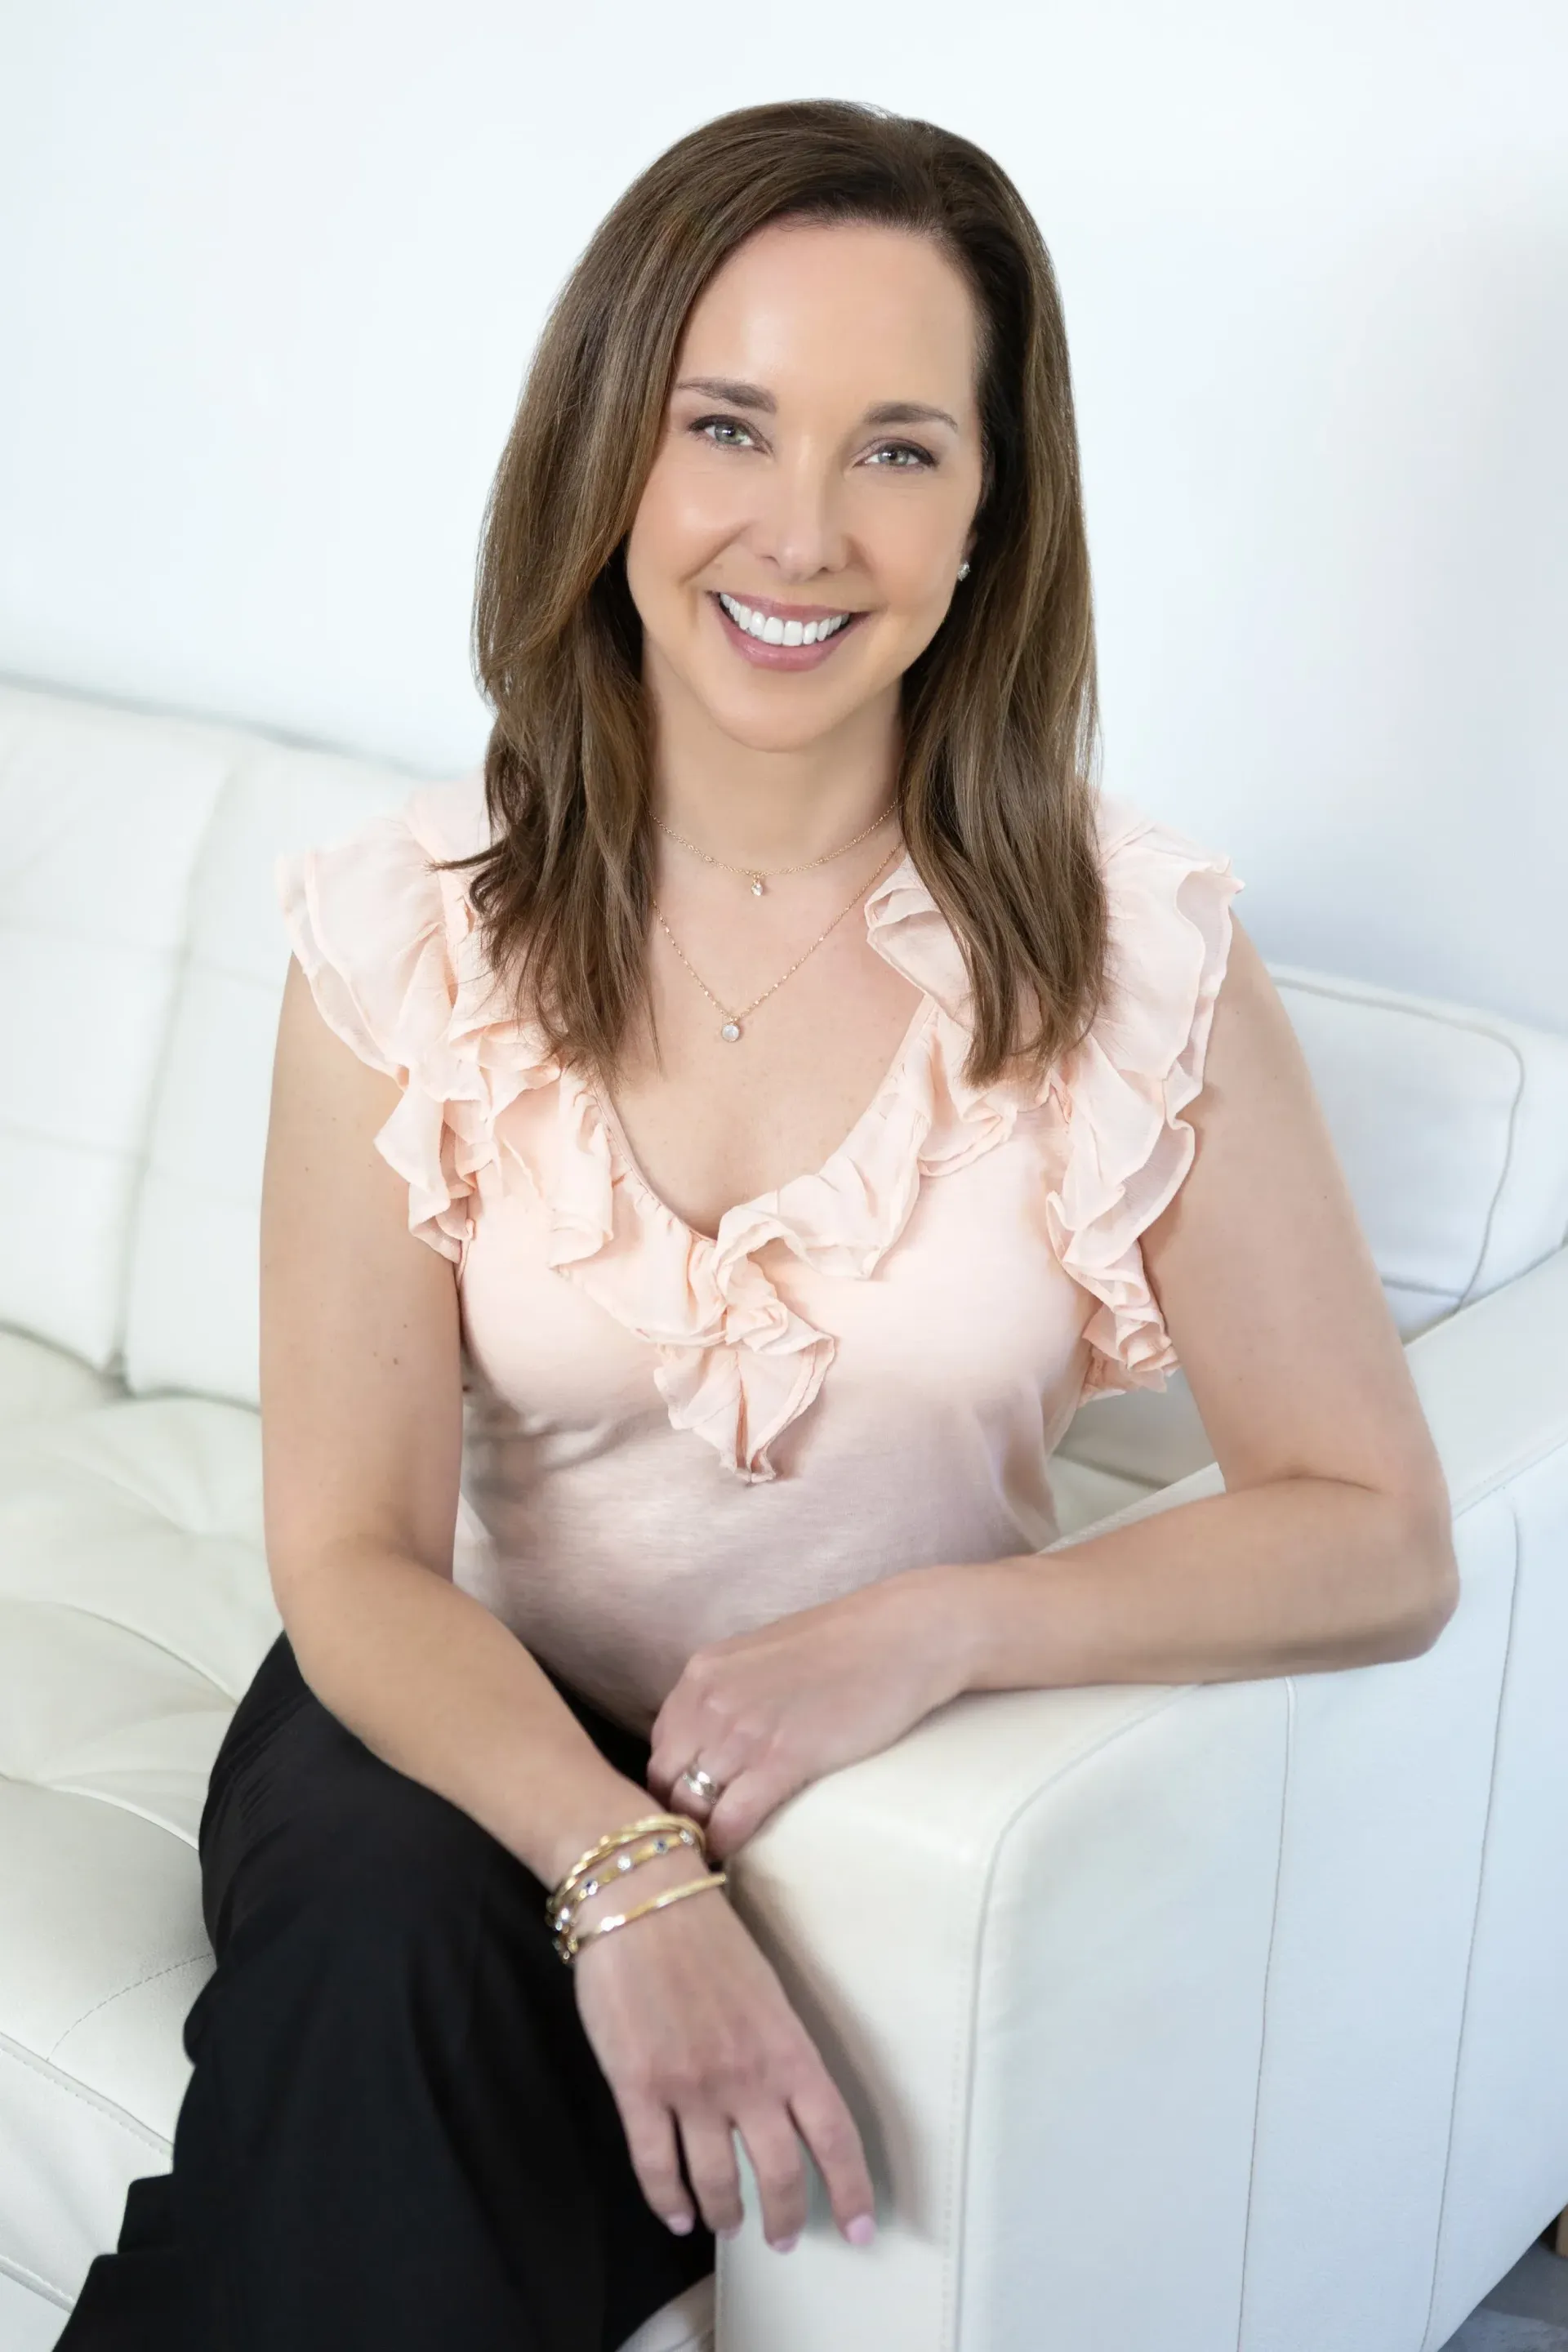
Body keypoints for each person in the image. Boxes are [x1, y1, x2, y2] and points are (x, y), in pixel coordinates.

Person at [56, 94, 1460, 2352]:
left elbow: (1375, 1528)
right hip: (435, 1734)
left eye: (900, 447)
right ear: (611, 449)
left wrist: (931, 1629)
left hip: (858, 1804)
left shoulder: (1135, 959)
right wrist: (620, 1877)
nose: (804, 532)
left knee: (369, 2131)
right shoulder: (401, 934)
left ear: (998, 510)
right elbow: (347, 1560)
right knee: (407, 1960)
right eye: (731, 424)